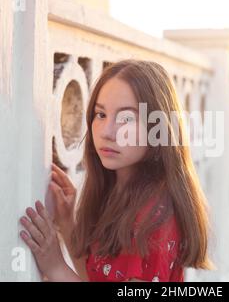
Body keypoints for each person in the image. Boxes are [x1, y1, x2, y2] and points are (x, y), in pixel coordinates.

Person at [19, 59, 214, 281]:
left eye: (126, 118)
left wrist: (55, 266)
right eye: (101, 115)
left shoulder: (153, 219)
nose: (107, 132)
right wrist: (67, 225)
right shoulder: (117, 194)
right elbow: (97, 277)